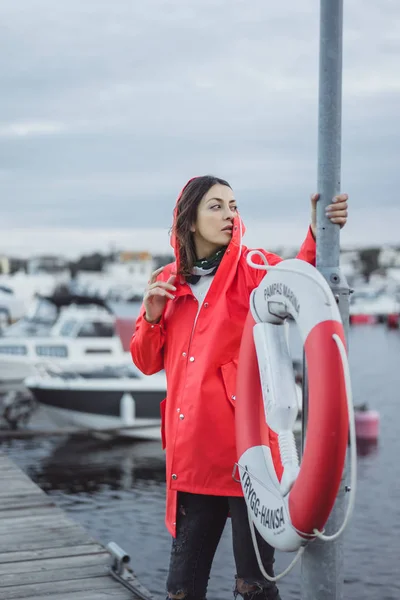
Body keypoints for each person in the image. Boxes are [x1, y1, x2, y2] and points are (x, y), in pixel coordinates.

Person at [130, 176, 349, 600]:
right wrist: (153, 314)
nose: (230, 214)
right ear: (188, 220)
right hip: (192, 459)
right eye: (216, 206)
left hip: (250, 459)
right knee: (181, 589)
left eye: (233, 205)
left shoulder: (253, 268)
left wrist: (318, 229)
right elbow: (145, 361)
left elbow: (299, 274)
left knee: (253, 585)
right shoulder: (167, 280)